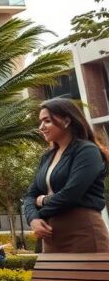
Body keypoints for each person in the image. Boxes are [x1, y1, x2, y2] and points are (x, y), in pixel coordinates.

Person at [23, 98, 109, 254]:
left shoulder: (87, 151)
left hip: (83, 233)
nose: (41, 127)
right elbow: (30, 195)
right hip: (51, 236)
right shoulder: (47, 157)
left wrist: (42, 203)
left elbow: (71, 194)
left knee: (88, 279)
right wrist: (33, 219)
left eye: (47, 121)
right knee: (50, 280)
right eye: (40, 122)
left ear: (66, 121)